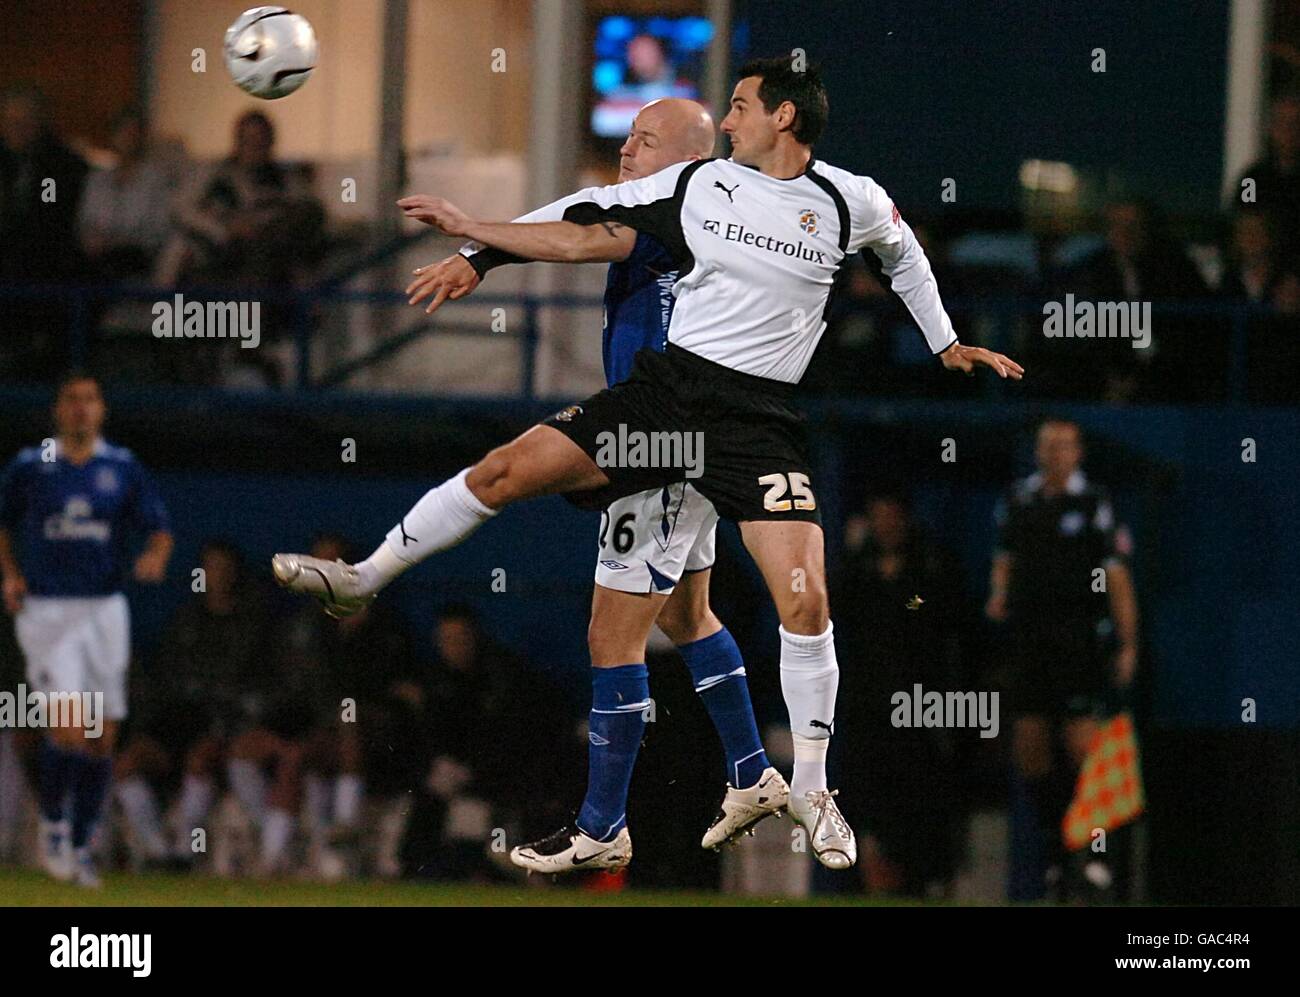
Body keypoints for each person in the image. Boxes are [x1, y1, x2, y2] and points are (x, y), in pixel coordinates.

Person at [274, 57, 1022, 874]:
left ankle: (796, 787)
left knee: (794, 602)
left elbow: (904, 250)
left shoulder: (848, 199)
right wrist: (477, 237)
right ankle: (368, 579)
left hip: (756, 423)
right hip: (664, 403)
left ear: (780, 118)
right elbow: (580, 220)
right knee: (545, 507)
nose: (727, 120)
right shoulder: (698, 189)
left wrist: (943, 339)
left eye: (738, 108)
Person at [400, 97, 789, 875]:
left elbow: (571, 235)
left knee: (610, 635)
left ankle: (602, 822)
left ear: (688, 158)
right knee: (688, 613)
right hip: (686, 439)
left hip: (664, 442)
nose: (626, 149)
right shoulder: (703, 211)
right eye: (628, 136)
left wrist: (473, 237)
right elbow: (575, 220)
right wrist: (479, 253)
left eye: (646, 140)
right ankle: (752, 770)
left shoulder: (686, 217)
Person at [0, 374, 173, 886]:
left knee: (102, 737)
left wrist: (156, 555)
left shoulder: (121, 466)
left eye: (90, 399)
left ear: (102, 409)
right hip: (49, 611)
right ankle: (53, 826)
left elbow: (159, 527)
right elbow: (2, 521)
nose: (80, 409)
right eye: (71, 399)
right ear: (57, 409)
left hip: (105, 611)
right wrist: (9, 574)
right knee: (70, 727)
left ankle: (81, 845)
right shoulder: (32, 466)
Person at [986, 419, 1139, 899]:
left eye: (1064, 445)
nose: (1055, 454)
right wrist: (998, 595)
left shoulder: (1094, 503)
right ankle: (1054, 855)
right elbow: (1004, 559)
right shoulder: (1019, 500)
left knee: (1082, 747)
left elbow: (1115, 575)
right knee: (1030, 746)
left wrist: (1129, 641)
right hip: (1030, 643)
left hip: (1079, 643)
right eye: (1046, 446)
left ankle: (1094, 857)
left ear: (1078, 452)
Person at [113, 539, 270, 868]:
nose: (218, 576)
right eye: (211, 568)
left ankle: (186, 851)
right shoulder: (185, 620)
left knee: (200, 760)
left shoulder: (253, 624)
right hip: (178, 720)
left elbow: (254, 688)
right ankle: (158, 852)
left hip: (223, 723)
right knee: (126, 764)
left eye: (225, 569)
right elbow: (165, 680)